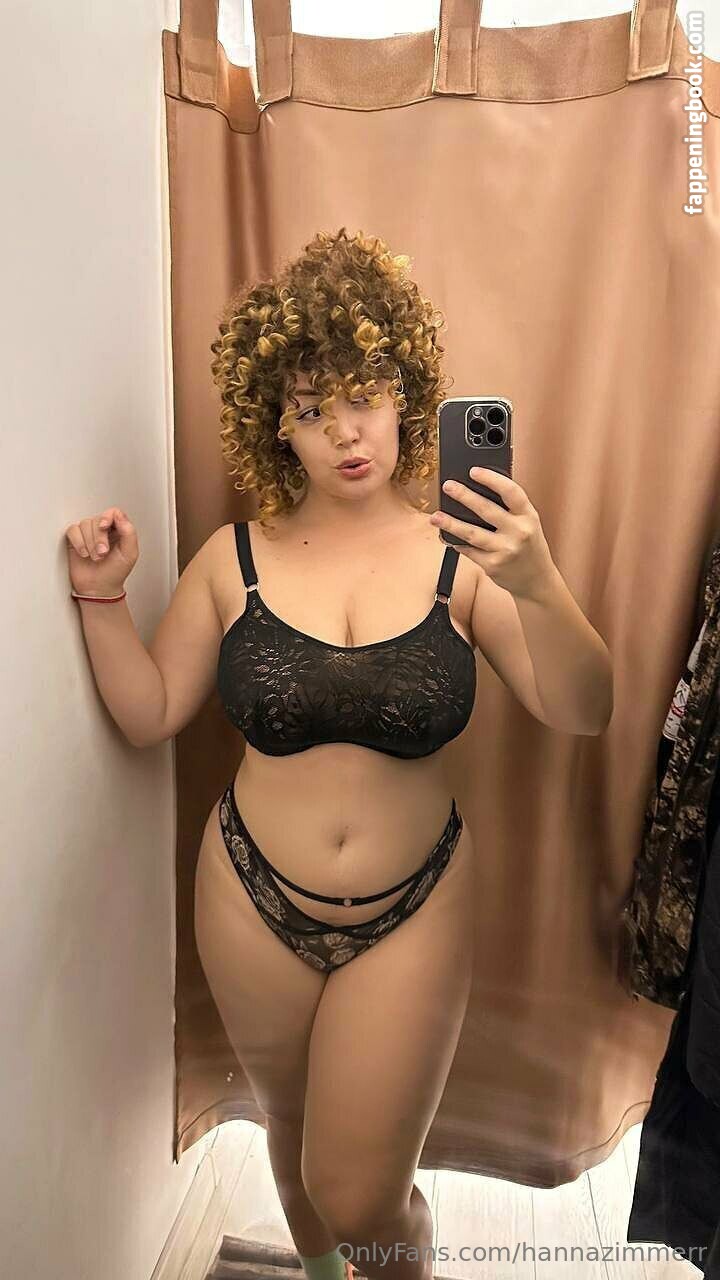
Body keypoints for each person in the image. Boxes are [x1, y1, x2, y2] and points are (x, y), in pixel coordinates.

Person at [64, 229, 613, 1280]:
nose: (345, 432)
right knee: (292, 1132)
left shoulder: (467, 558)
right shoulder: (231, 559)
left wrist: (537, 578)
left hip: (417, 903)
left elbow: (584, 709)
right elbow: (150, 710)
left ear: (407, 394)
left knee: (359, 1189)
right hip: (248, 895)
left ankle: (404, 1265)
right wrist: (101, 595)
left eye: (365, 396)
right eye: (313, 408)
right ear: (275, 422)